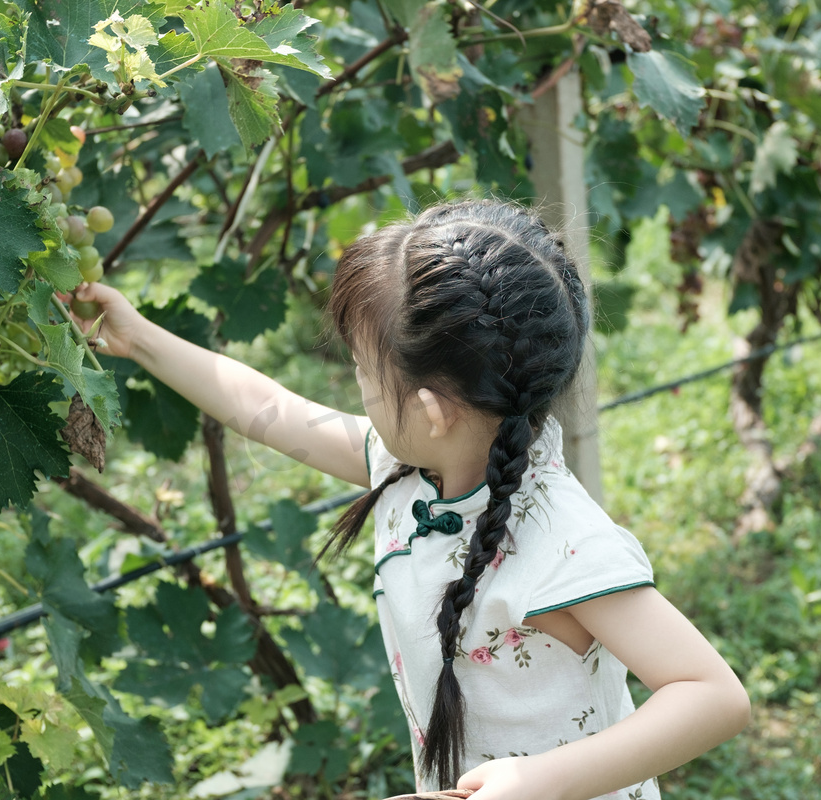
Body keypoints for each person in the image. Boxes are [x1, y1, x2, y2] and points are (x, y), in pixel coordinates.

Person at [72, 200, 750, 800]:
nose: (358, 389)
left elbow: (713, 696)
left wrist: (544, 781)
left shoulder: (564, 545)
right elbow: (268, 408)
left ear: (432, 410)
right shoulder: (407, 467)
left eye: (364, 374)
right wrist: (141, 339)